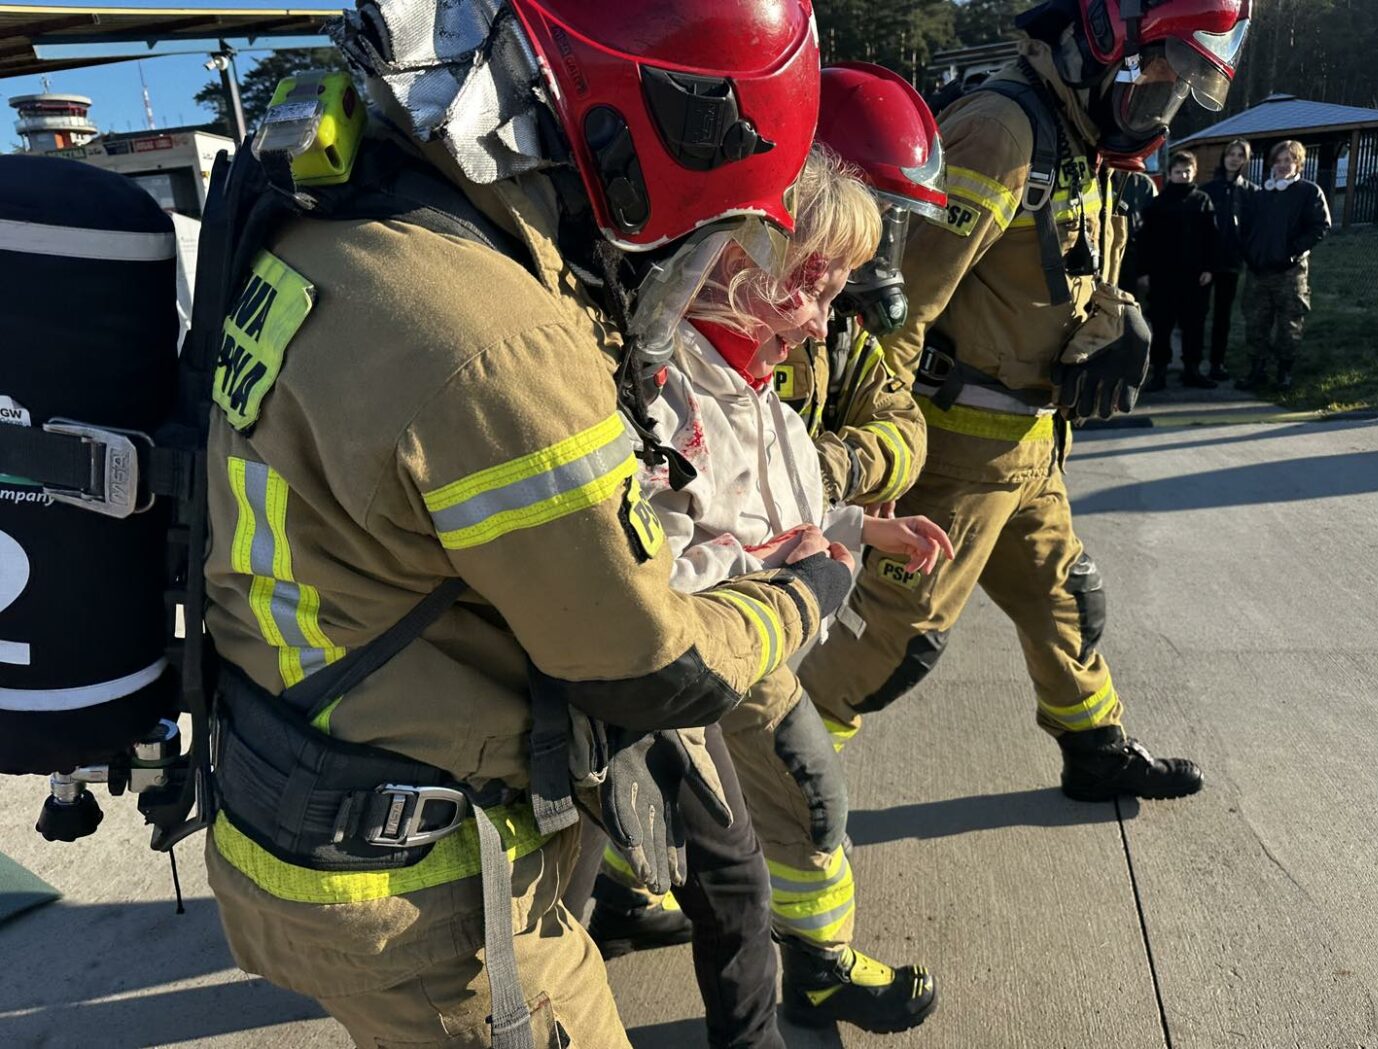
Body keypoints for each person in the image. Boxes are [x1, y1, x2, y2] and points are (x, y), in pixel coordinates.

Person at [198, 2, 856, 1047]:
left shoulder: (342, 231)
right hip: (431, 898)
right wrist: (800, 596)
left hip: (288, 803)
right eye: (698, 231)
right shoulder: (496, 339)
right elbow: (648, 664)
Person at [798, 0, 1255, 809]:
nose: (1165, 93)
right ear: (1109, 35)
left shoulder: (1081, 142)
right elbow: (900, 313)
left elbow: (1064, 272)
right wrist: (874, 459)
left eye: (1186, 80)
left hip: (1030, 443)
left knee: (1065, 598)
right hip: (955, 456)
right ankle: (761, 797)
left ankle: (1095, 747)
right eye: (1164, 66)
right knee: (890, 644)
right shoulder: (1003, 134)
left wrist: (1117, 318)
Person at [574, 141, 951, 1039]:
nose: (824, 323)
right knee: (776, 831)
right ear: (730, 264)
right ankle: (804, 980)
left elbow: (783, 505)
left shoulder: (751, 384)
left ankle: (659, 922)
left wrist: (863, 529)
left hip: (750, 643)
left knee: (729, 865)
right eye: (811, 287)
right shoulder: (665, 405)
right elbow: (644, 582)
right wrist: (781, 566)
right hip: (705, 664)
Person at [1235, 139, 1331, 392]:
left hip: (1290, 273)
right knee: (1256, 323)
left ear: (1297, 163)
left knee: (1289, 324)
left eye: (1287, 160)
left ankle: (1284, 373)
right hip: (1258, 272)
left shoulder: (1309, 192)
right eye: (1278, 161)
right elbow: (1244, 229)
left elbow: (1320, 227)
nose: (1282, 165)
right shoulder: (1260, 195)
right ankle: (1257, 370)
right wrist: (1250, 255)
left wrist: (1292, 253)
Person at [1139, 149, 1219, 390]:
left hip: (1195, 276)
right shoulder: (1157, 204)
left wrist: (1209, 268)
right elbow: (1146, 241)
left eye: (1187, 171)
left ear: (1193, 172)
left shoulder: (1202, 201)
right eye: (1178, 171)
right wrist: (1144, 272)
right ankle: (1159, 372)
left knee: (1194, 325)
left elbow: (1212, 238)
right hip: (1163, 276)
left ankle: (1192, 370)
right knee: (1161, 326)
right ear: (1169, 173)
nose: (1183, 175)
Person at [1202, 138, 1258, 380]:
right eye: (1231, 154)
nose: (1234, 158)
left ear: (1245, 160)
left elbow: (1252, 228)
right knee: (1198, 313)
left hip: (1231, 263)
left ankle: (1217, 363)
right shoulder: (1207, 190)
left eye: (1239, 155)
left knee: (1223, 316)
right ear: (1223, 157)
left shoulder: (1250, 192)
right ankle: (1191, 363)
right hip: (1205, 262)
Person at [1112, 161, 1158, 295]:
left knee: (1130, 295)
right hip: (1107, 245)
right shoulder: (1102, 179)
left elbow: (1153, 222)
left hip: (1135, 248)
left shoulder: (1145, 183)